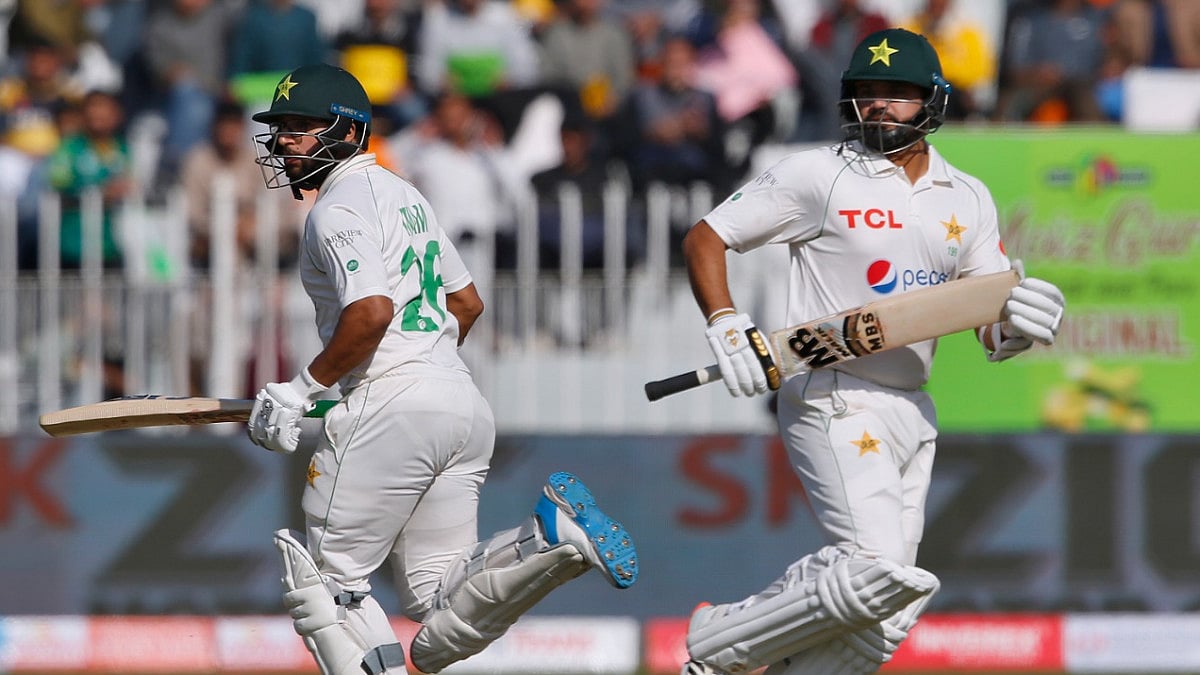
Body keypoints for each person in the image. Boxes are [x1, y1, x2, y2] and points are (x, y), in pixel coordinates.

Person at [677, 28, 1066, 675]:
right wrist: (725, 322)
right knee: (876, 568)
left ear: (933, 100)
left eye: (897, 94)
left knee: (886, 610)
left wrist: (1020, 322)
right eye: (867, 93)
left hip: (912, 406)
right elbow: (706, 237)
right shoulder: (818, 174)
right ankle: (719, 639)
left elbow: (989, 327)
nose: (879, 106)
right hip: (832, 389)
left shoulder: (967, 197)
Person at [244, 63, 639, 675]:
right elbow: (466, 303)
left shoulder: (335, 210)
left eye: (301, 127)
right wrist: (416, 367)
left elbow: (371, 312)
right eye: (282, 128)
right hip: (460, 402)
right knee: (438, 598)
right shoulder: (407, 195)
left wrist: (302, 391)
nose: (284, 142)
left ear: (348, 133)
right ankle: (551, 542)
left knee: (327, 584)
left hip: (391, 405)